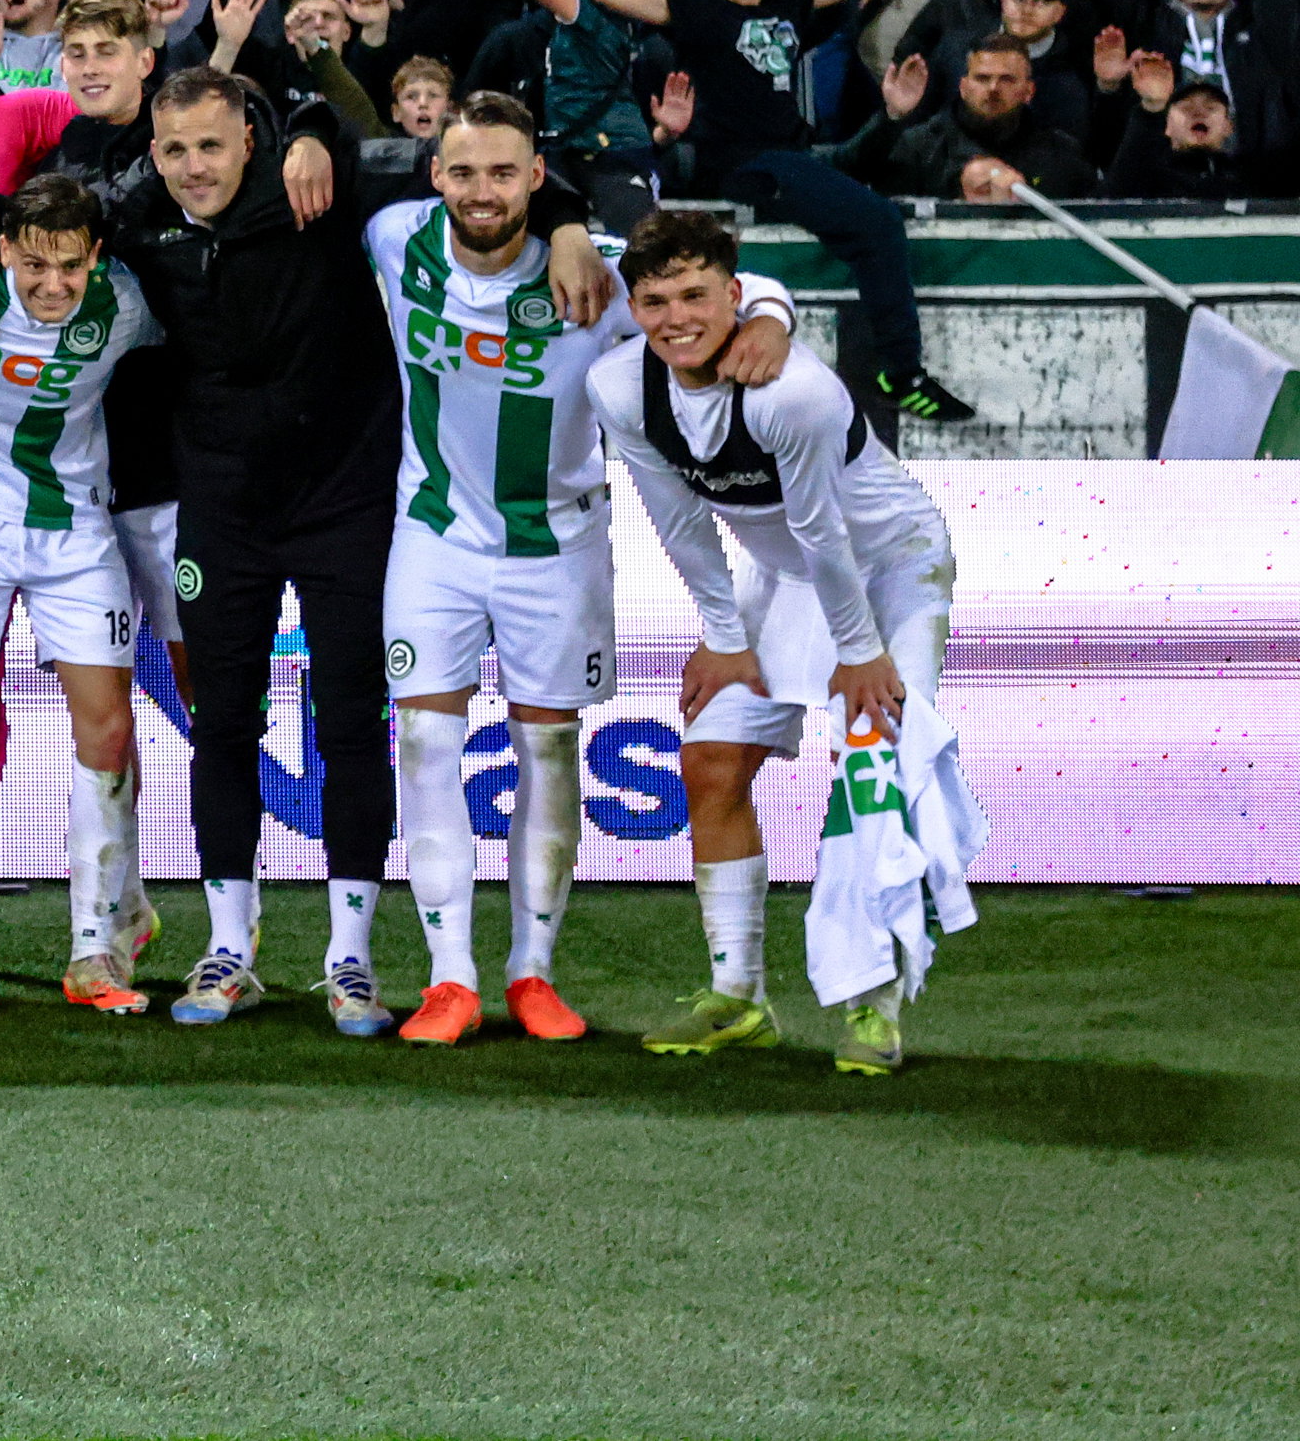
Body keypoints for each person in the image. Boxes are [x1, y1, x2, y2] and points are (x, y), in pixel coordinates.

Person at [105, 65, 603, 1037]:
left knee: (351, 726)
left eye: (212, 145)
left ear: (250, 138)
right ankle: (229, 948)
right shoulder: (139, 220)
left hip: (348, 503)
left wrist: (573, 222)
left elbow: (478, 177)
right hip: (220, 510)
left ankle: (351, 958)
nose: (195, 166)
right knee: (222, 725)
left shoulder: (326, 187)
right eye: (176, 150)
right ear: (153, 154)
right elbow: (45, 225)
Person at [366, 94, 794, 1046]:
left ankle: (533, 973)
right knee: (426, 745)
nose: (482, 192)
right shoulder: (396, 239)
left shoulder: (596, 277)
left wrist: (772, 316)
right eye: (463, 172)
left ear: (536, 176)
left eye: (503, 172)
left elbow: (738, 285)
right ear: (435, 177)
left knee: (549, 751)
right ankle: (448, 979)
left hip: (557, 549)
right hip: (433, 536)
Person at [593, 211, 961, 1077]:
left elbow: (823, 530)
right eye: (655, 302)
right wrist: (724, 637)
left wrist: (860, 653)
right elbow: (680, 523)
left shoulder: (792, 392)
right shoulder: (619, 387)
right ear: (633, 308)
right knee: (710, 760)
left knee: (873, 767)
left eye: (696, 297)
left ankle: (875, 1006)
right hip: (784, 572)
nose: (677, 319)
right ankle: (738, 997)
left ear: (734, 295)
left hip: (889, 567)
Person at [567, 0, 977, 425]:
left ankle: (898, 368)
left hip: (794, 154)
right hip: (741, 164)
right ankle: (902, 372)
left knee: (873, 214)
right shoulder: (694, 8)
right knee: (878, 221)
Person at [0, 172, 160, 1018]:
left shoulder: (128, 303)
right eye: (35, 265)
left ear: (98, 257)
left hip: (76, 529)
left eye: (72, 268)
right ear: (6, 247)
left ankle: (95, 946)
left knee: (109, 728)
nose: (53, 285)